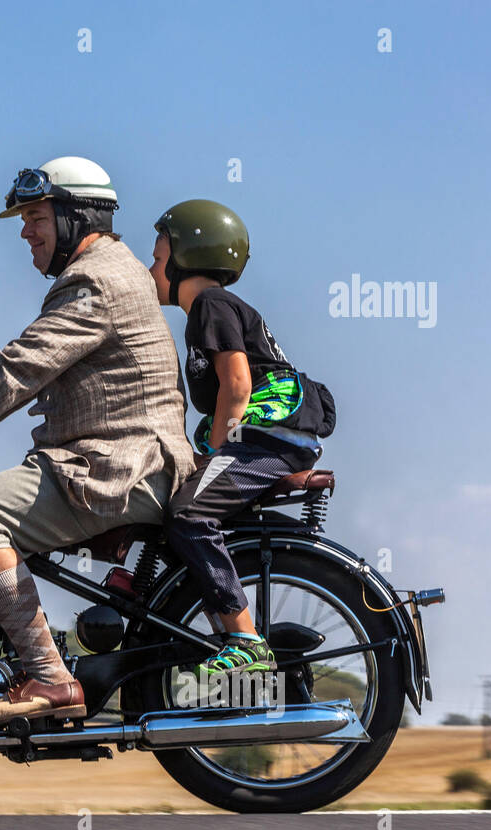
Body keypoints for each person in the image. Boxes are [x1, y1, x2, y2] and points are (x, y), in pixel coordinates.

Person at [0, 157, 195, 727]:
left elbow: (15, 374)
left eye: (36, 215)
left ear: (76, 215)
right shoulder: (114, 271)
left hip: (117, 468)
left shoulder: (94, 280)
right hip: (112, 461)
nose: (25, 230)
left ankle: (50, 678)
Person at [149, 199, 336, 680]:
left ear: (185, 255)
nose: (150, 268)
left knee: (189, 514)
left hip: (267, 442)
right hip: (266, 440)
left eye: (156, 256)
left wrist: (212, 452)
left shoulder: (210, 305)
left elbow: (237, 386)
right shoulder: (211, 310)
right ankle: (223, 623)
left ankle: (245, 639)